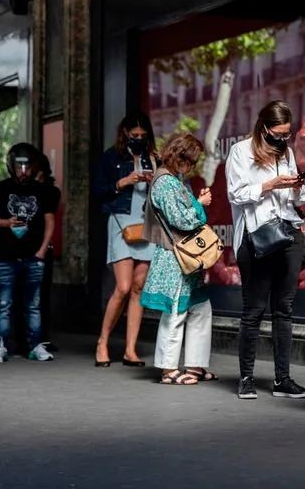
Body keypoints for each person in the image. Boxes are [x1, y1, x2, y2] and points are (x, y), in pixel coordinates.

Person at [226, 101, 305, 400]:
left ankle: (282, 379)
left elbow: (296, 199)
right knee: (254, 310)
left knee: (284, 310)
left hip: (287, 233)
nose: (282, 139)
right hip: (256, 237)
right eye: (277, 133)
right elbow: (236, 194)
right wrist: (269, 184)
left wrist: (297, 186)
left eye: (287, 134)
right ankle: (246, 378)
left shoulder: (286, 153)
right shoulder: (240, 151)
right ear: (264, 127)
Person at [140, 133, 215, 385]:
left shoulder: (174, 180)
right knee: (176, 311)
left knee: (199, 308)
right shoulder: (166, 183)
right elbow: (181, 220)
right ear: (179, 157)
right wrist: (200, 203)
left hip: (184, 257)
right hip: (176, 257)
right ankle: (168, 369)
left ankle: (194, 365)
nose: (192, 167)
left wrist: (195, 201)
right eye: (190, 161)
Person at [0, 143, 59, 363]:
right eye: (19, 166)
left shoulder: (42, 190)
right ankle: (1, 347)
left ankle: (36, 345)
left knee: (33, 305)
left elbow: (50, 222)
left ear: (34, 167)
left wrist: (42, 251)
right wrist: (6, 222)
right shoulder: (1, 188)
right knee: (4, 305)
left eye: (27, 167)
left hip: (33, 257)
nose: (23, 172)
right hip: (4, 257)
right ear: (11, 166)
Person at [92, 111, 158, 367]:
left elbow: (164, 191)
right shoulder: (111, 157)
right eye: (134, 135)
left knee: (138, 288)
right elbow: (98, 191)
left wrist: (155, 181)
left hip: (147, 224)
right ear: (125, 134)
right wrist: (123, 182)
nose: (139, 139)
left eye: (143, 136)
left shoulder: (154, 158)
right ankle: (103, 341)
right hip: (121, 222)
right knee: (122, 287)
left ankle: (130, 349)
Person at [34, 152, 61, 351]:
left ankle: (42, 337)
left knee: (42, 294)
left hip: (42, 247)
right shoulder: (12, 188)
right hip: (20, 247)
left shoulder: (50, 191)